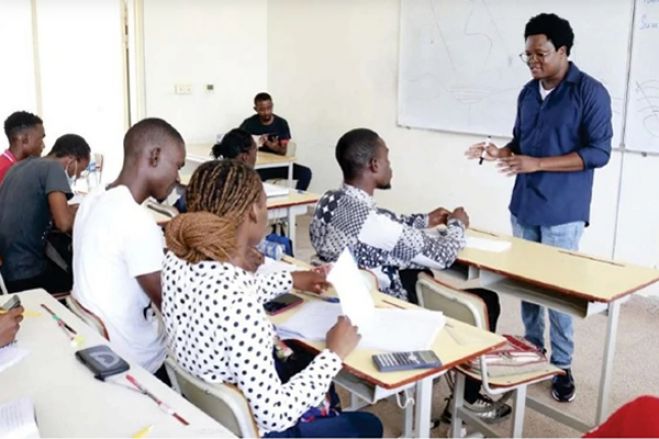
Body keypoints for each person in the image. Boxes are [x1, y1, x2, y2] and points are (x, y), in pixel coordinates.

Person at [162, 159, 383, 438]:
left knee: (302, 360)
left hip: (211, 406)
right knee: (369, 425)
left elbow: (231, 294)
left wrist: (292, 279)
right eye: (265, 205)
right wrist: (334, 353)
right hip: (264, 428)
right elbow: (275, 414)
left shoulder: (177, 259)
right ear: (254, 211)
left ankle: (326, 413)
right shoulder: (237, 302)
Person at [310, 128, 510, 423]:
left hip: (345, 296)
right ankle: (466, 405)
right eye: (387, 158)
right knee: (485, 300)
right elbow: (443, 254)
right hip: (380, 306)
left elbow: (387, 222)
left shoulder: (330, 200)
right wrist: (457, 225)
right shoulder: (373, 223)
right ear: (374, 166)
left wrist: (422, 220)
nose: (391, 164)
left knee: (420, 272)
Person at [465, 13, 612, 403]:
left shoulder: (590, 92)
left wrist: (537, 163)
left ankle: (563, 365)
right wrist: (500, 152)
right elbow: (520, 141)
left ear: (563, 51)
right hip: (524, 204)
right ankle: (532, 351)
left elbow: (599, 152)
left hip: (563, 209)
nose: (533, 61)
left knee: (558, 292)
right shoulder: (528, 92)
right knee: (526, 287)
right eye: (527, 55)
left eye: (540, 54)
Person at [72, 118, 185, 382]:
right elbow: (172, 308)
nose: (178, 178)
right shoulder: (136, 219)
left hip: (97, 348)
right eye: (177, 166)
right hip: (139, 364)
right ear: (155, 156)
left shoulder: (93, 199)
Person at [0, 134, 90, 294]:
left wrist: (70, 209)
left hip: (7, 270)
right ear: (71, 159)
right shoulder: (53, 168)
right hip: (27, 274)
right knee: (82, 281)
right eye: (80, 170)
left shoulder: (18, 167)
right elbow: (64, 224)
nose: (76, 176)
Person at [240, 92, 313, 190]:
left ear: (272, 106)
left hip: (278, 166)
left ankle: (296, 198)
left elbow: (283, 151)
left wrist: (273, 146)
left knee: (305, 173)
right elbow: (238, 142)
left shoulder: (281, 123)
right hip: (258, 167)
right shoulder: (248, 124)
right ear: (255, 109)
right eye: (262, 110)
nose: (266, 112)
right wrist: (254, 143)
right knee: (248, 177)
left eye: (269, 108)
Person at [0, 111, 45, 184]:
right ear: (24, 139)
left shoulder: (20, 168)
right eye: (40, 139)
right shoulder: (4, 170)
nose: (43, 145)